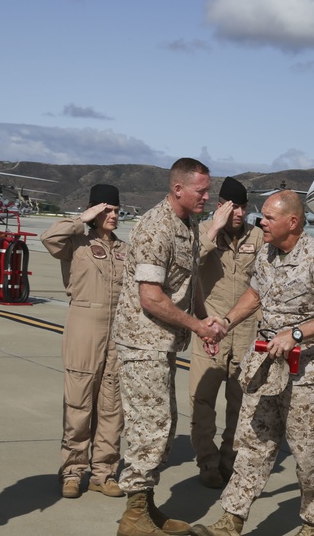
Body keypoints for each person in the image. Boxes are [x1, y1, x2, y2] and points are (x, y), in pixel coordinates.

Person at [190, 190, 314, 536]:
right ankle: (231, 520)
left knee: (309, 457)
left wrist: (296, 334)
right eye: (261, 215)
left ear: (292, 222)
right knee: (252, 446)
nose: (259, 221)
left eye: (268, 217)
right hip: (267, 370)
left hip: (308, 377)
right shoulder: (267, 253)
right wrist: (226, 323)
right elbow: (254, 294)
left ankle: (313, 525)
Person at [113, 158, 228, 536]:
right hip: (142, 342)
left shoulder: (189, 225)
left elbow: (190, 277)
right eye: (201, 191)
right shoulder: (155, 227)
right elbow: (151, 298)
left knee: (162, 427)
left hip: (161, 344)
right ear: (179, 189)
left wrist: (203, 319)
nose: (207, 198)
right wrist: (197, 326)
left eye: (208, 190)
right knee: (150, 429)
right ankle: (133, 519)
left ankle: (145, 508)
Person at [40, 184, 127, 500]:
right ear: (95, 211)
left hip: (117, 332)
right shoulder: (75, 243)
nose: (114, 216)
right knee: (78, 404)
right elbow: (49, 238)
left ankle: (103, 473)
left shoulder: (124, 249)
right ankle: (73, 472)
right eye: (108, 210)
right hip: (84, 325)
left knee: (112, 406)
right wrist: (82, 218)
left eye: (117, 211)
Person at [189, 177, 264, 488]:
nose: (240, 213)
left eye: (244, 207)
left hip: (245, 331)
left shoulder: (257, 236)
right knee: (203, 401)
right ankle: (206, 463)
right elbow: (188, 262)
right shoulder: (203, 233)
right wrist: (212, 231)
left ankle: (228, 460)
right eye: (234, 206)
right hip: (210, 330)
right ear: (221, 206)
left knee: (241, 402)